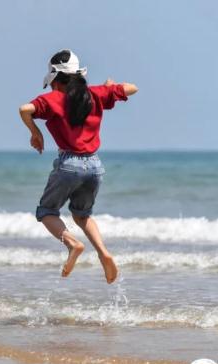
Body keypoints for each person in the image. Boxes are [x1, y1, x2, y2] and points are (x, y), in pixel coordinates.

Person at [19, 49, 138, 284]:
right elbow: (132, 87)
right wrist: (109, 87)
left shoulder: (52, 99)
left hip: (69, 164)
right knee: (82, 215)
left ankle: (72, 244)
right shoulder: (95, 95)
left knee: (46, 212)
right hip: (95, 166)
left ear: (56, 79)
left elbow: (24, 109)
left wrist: (35, 133)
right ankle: (104, 253)